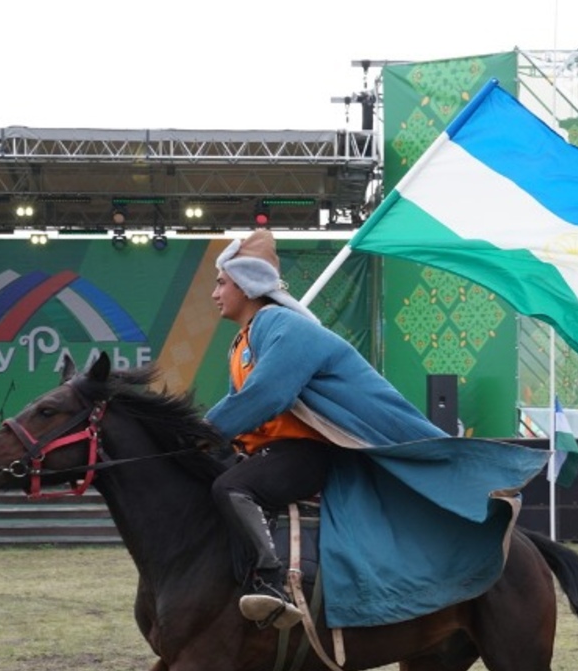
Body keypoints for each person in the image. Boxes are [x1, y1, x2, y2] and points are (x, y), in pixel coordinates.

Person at [204, 229, 546, 626]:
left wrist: (202, 432)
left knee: (230, 487)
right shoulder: (242, 342)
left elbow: (265, 396)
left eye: (221, 282)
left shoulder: (283, 325)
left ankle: (269, 583)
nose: (215, 293)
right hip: (268, 451)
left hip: (303, 454)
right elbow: (240, 409)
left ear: (246, 285)